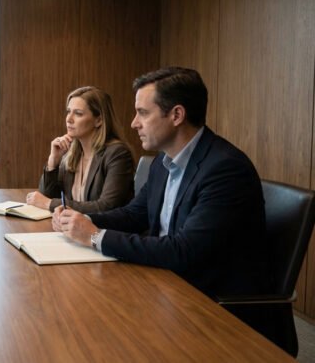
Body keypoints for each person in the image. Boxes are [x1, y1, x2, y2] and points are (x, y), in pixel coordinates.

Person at [54, 67, 294, 355]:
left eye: (143, 113)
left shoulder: (225, 169)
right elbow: (133, 215)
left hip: (214, 309)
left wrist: (95, 237)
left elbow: (183, 251)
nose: (133, 123)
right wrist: (81, 220)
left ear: (177, 115)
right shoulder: (163, 161)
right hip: (166, 286)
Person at [26, 86, 134, 214]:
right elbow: (46, 197)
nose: (69, 119)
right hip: (71, 225)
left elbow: (106, 207)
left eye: (78, 113)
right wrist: (53, 162)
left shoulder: (117, 154)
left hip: (102, 226)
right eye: (68, 111)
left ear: (99, 120)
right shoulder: (71, 154)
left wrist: (49, 203)